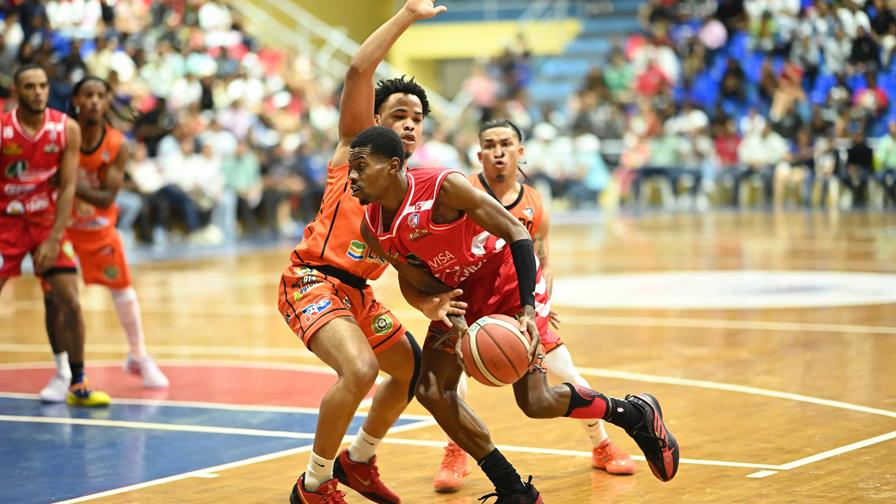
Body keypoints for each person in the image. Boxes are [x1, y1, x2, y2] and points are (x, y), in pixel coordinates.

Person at [355, 125, 680, 503]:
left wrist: (528, 307)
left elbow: (517, 233)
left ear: (393, 166)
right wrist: (429, 304)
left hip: (508, 282)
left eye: (360, 167)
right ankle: (513, 489)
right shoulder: (371, 225)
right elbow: (411, 278)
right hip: (461, 295)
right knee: (431, 390)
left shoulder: (444, 187)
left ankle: (632, 414)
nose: (352, 177)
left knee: (535, 403)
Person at [275, 2, 460, 503]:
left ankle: (358, 460)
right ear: (374, 120)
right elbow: (360, 68)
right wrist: (406, 15)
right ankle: (313, 484)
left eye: (417, 117)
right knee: (359, 371)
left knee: (411, 370)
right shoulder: (355, 149)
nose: (409, 124)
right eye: (398, 114)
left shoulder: (413, 189)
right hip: (313, 279)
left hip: (358, 294)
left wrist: (428, 303)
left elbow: (401, 265)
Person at [431, 120, 635, 494]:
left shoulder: (535, 202)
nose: (497, 151)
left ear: (520, 151)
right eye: (489, 145)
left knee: (569, 374)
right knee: (451, 383)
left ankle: (602, 445)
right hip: (471, 303)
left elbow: (543, 259)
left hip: (519, 305)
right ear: (478, 154)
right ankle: (456, 450)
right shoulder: (462, 193)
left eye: (506, 143)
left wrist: (540, 302)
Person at [40, 75, 168, 398]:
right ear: (76, 101)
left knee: (123, 290)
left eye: (101, 95)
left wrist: (66, 183)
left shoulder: (117, 144)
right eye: (88, 95)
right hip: (62, 229)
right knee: (58, 299)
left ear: (108, 101)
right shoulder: (60, 136)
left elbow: (107, 198)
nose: (95, 101)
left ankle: (138, 355)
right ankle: (63, 373)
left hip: (97, 230)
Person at [0, 64, 109, 407]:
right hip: (7, 222)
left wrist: (53, 236)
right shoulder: (2, 129)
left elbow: (67, 188)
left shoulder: (66, 128)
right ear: (16, 92)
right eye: (30, 86)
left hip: (47, 221)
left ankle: (75, 380)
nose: (38, 92)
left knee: (68, 299)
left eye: (43, 86)